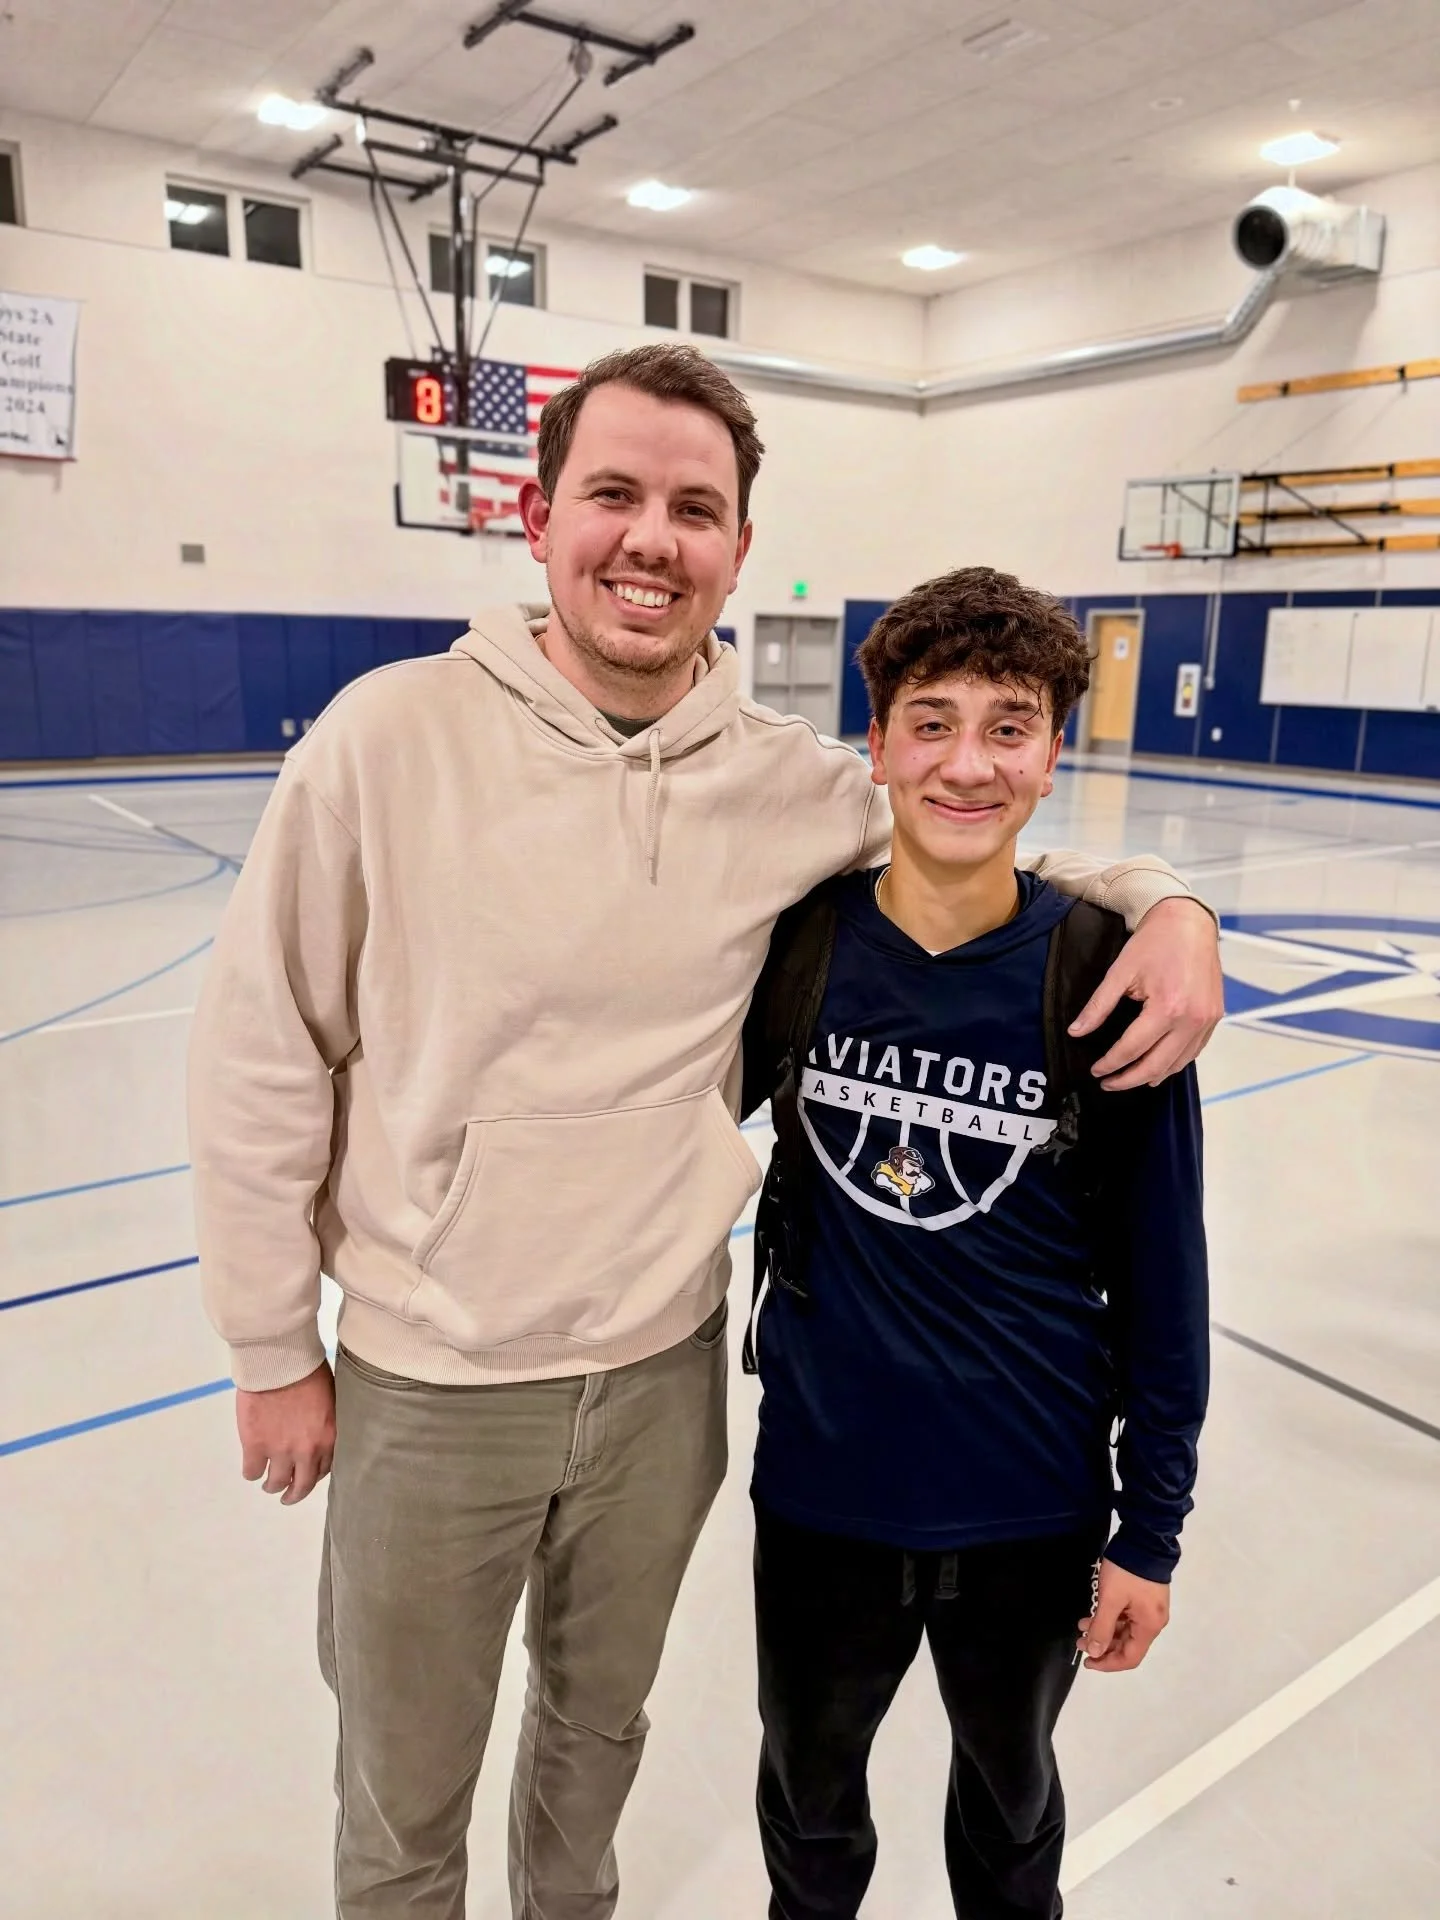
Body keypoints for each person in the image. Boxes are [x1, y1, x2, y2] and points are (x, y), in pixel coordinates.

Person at [186, 345, 1223, 1920]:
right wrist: (272, 1344)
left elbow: (980, 826)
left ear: (740, 547)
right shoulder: (383, 740)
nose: (650, 538)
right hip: (433, 1375)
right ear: (537, 518)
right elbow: (263, 1051)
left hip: (661, 1375)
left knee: (595, 1750)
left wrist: (1178, 907)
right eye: (613, 495)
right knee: (403, 1797)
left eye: (694, 507)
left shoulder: (787, 785)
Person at [740, 566, 1210, 1920]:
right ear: (876, 743)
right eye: (931, 722)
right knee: (810, 1824)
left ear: (1053, 754)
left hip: (1031, 1506)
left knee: (1012, 1826)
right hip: (824, 1494)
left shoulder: (1109, 975)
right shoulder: (795, 948)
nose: (967, 762)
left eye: (1009, 725)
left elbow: (1168, 1288)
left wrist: (1152, 1531)